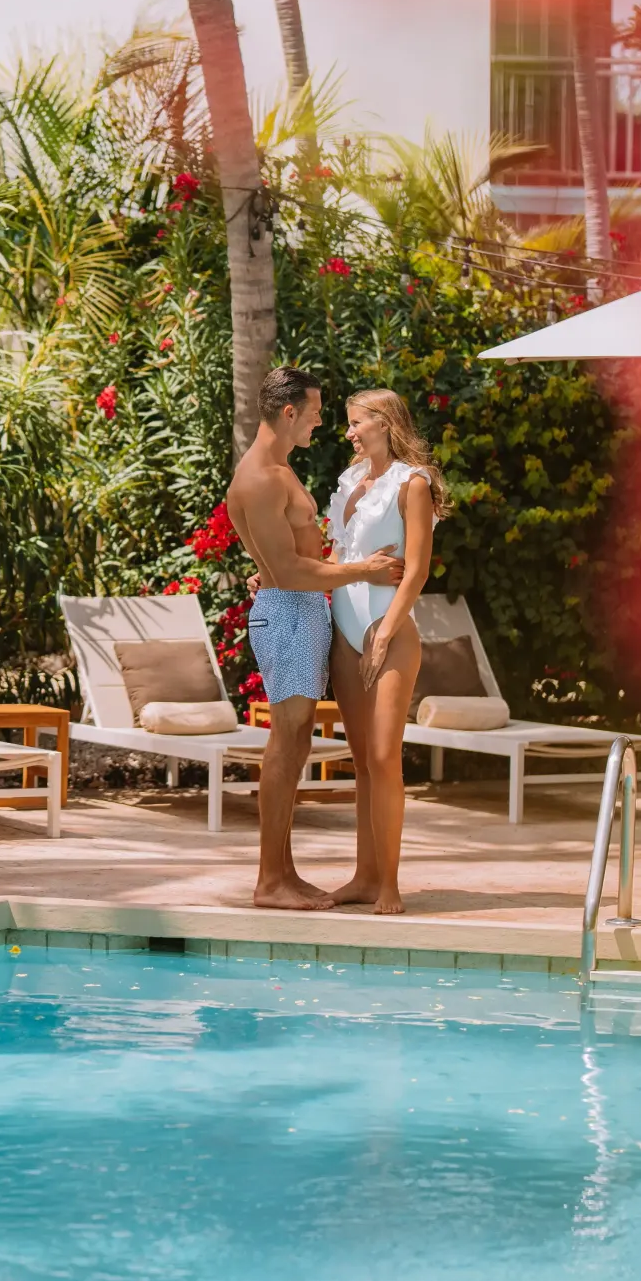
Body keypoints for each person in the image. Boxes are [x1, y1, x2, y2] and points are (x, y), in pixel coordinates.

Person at [225, 367, 404, 910]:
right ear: (288, 413)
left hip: (298, 611)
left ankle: (284, 872)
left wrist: (279, 571)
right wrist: (365, 571)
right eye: (317, 411)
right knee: (287, 739)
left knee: (298, 739)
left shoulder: (279, 470)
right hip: (289, 614)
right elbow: (291, 570)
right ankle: (269, 881)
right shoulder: (261, 477)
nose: (323, 422)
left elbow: (282, 561)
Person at [325, 388, 445, 915]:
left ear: (385, 422)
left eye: (356, 423)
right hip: (342, 628)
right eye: (348, 424)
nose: (349, 432)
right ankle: (364, 876)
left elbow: (416, 569)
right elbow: (336, 554)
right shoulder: (350, 480)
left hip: (387, 629)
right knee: (361, 763)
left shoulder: (411, 483)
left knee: (383, 757)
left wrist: (384, 631)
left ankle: (391, 884)